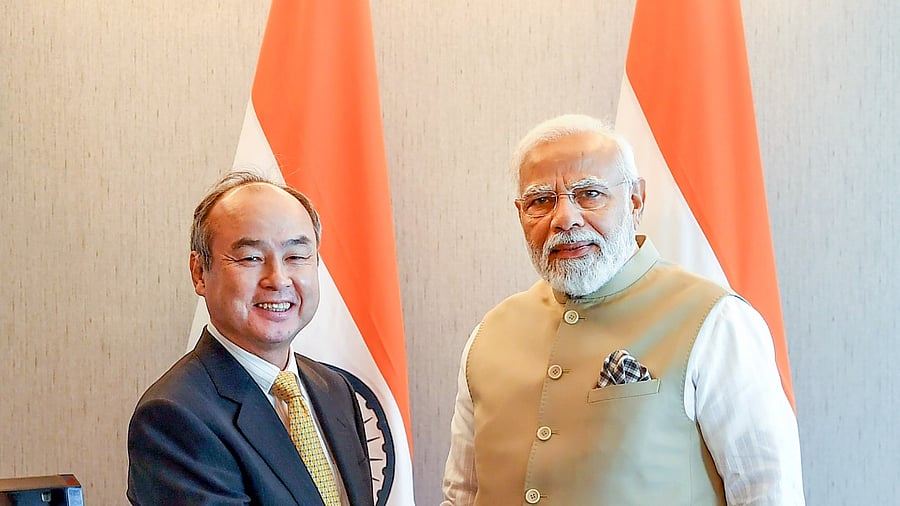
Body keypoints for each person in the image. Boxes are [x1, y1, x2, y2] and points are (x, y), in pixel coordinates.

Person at [441, 114, 805, 505]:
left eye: (589, 194)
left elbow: (768, 490)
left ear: (635, 201)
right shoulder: (488, 334)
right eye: (541, 200)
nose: (565, 219)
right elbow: (462, 493)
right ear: (520, 214)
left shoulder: (716, 320)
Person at [127, 171, 374, 506]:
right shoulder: (174, 417)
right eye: (251, 258)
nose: (278, 279)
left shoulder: (335, 389)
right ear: (200, 273)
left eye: (296, 256)